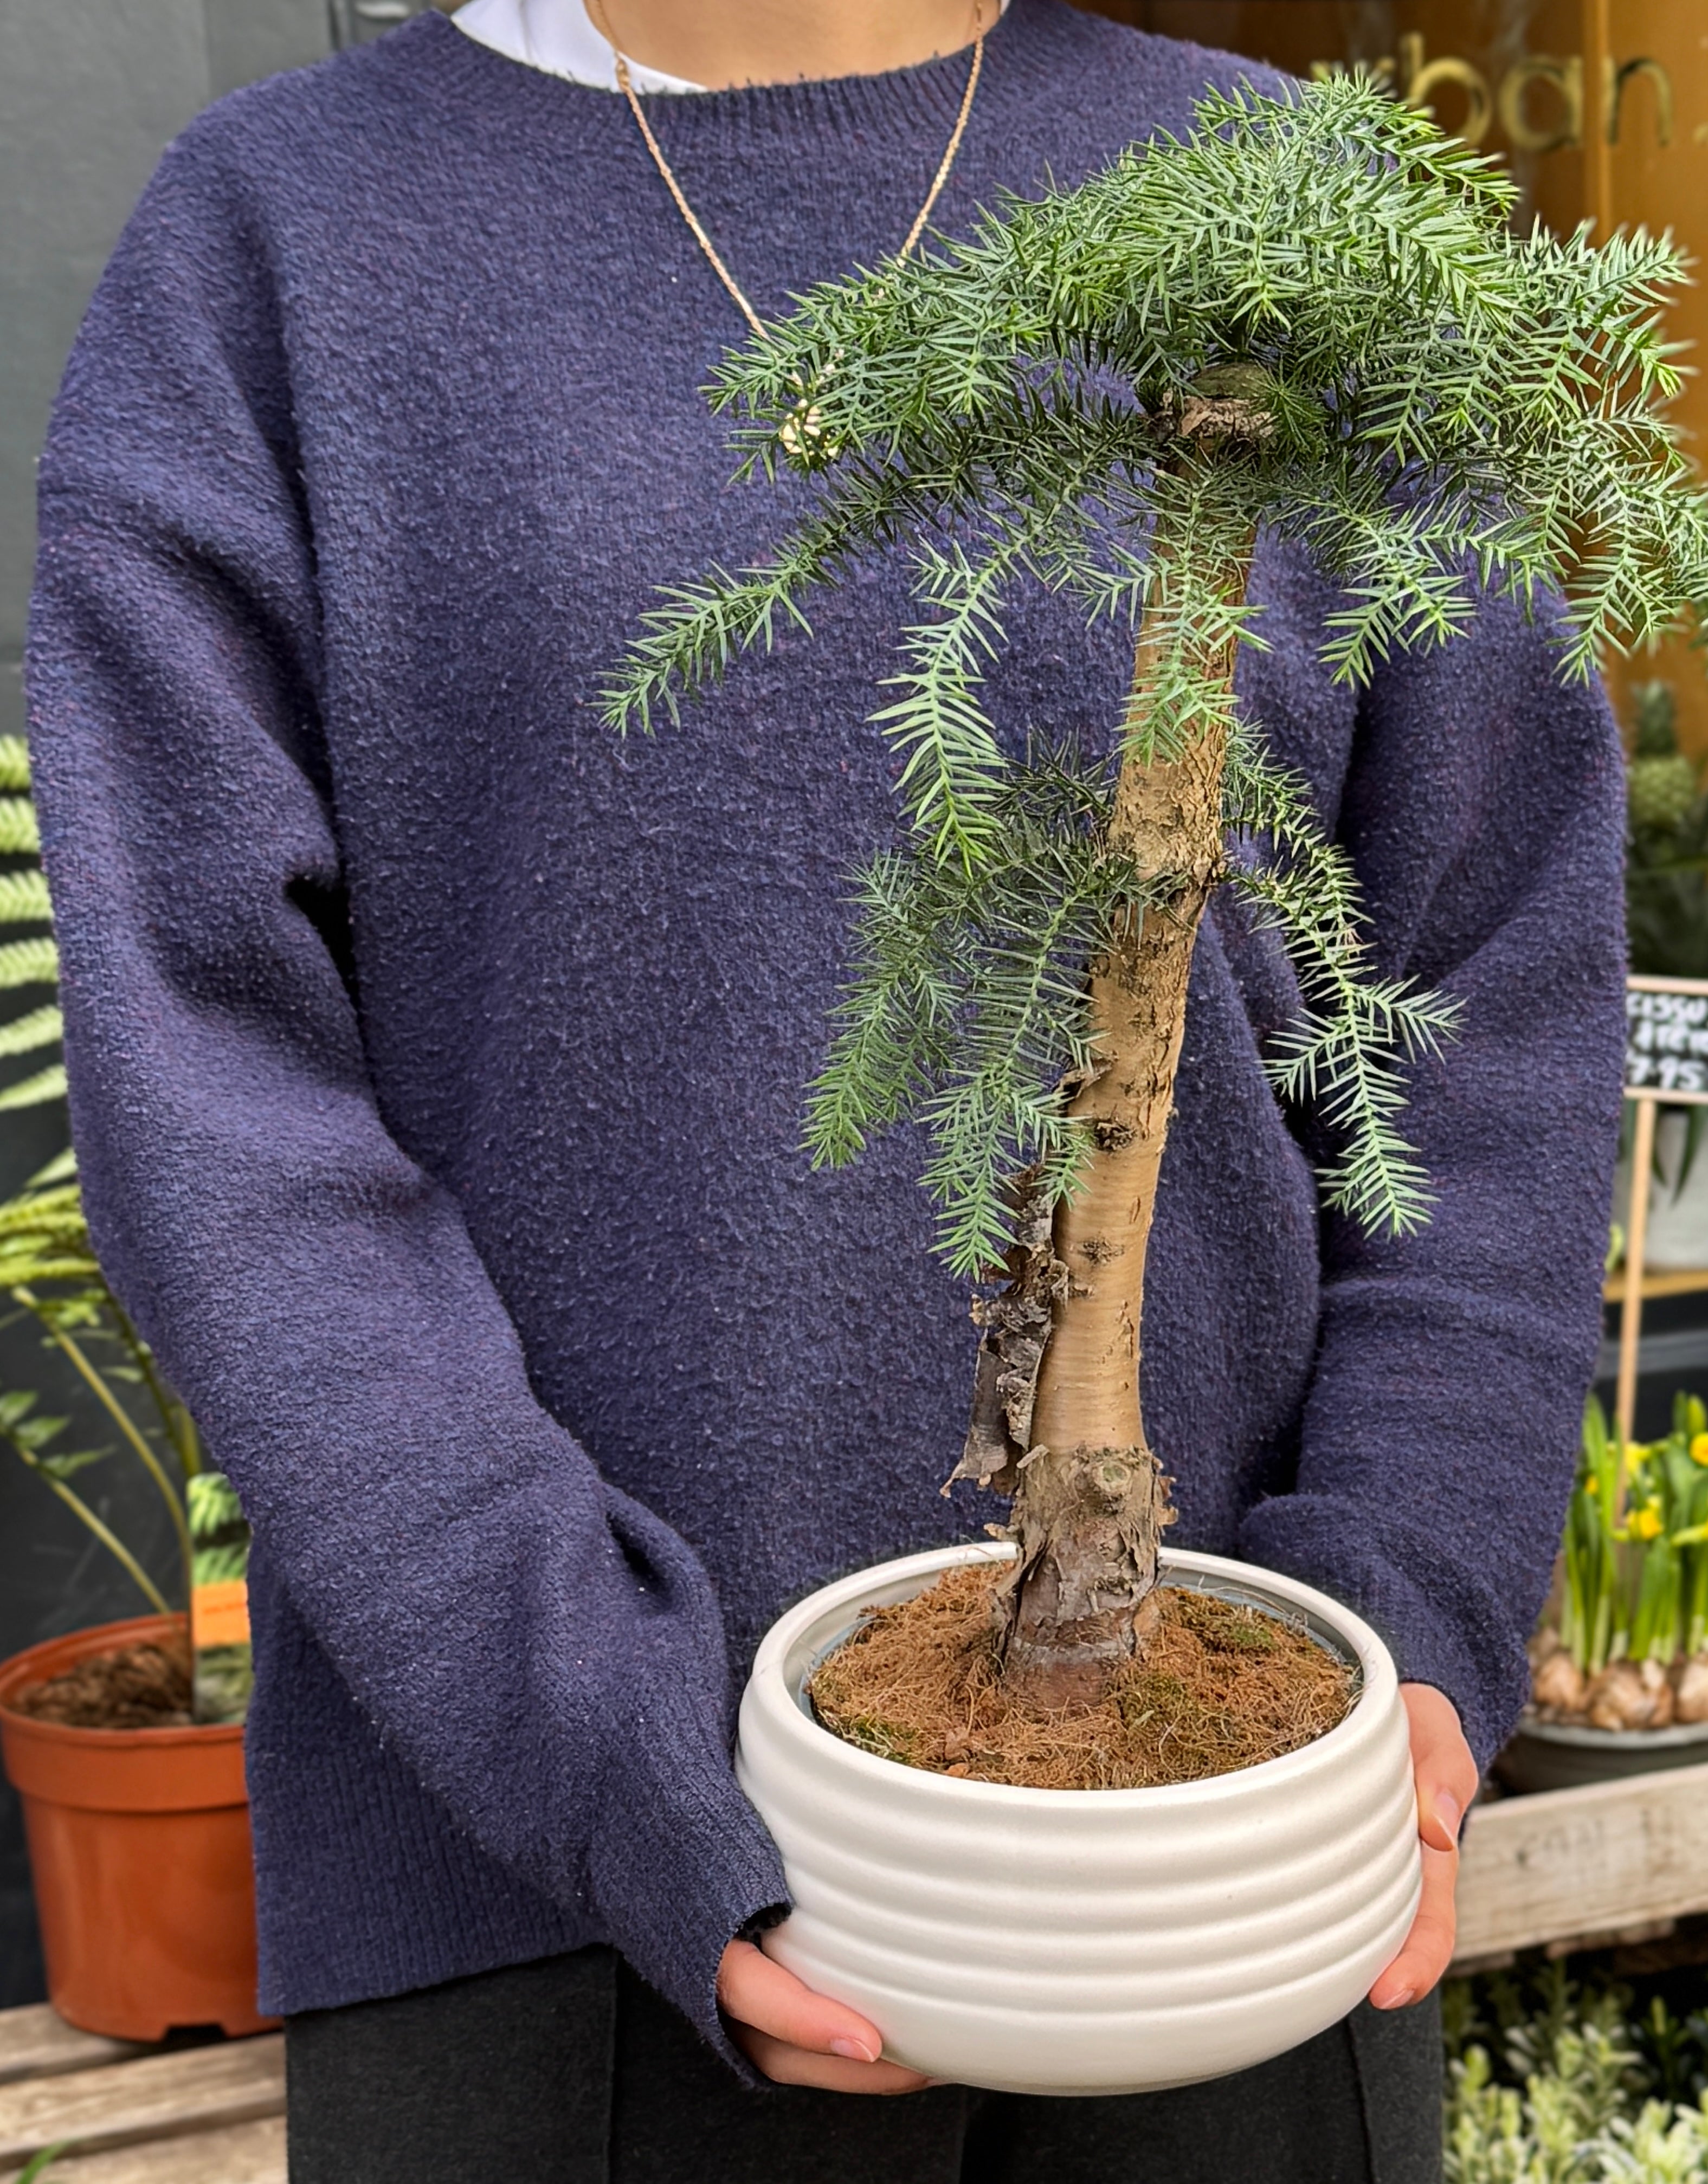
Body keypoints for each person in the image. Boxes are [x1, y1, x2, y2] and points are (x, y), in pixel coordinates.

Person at [25, 0, 1626, 2175]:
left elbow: (1493, 997)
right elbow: (219, 1103)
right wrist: (599, 1738)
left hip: (1228, 1850)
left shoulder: (1288, 228)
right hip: (537, 1899)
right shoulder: (283, 246)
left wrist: (1403, 1602)